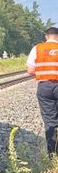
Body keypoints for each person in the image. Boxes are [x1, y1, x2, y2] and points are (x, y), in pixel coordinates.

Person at [26, 26, 58, 155]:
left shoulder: (37, 48)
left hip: (44, 87)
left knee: (50, 122)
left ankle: (53, 155)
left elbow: (30, 70)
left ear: (46, 36)